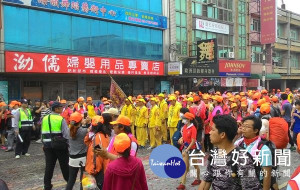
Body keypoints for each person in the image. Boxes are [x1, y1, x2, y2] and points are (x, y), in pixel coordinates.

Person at [199, 115, 261, 190]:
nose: (209, 132)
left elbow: (251, 187)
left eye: (212, 130)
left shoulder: (242, 158)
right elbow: (207, 179)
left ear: (222, 135)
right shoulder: (214, 153)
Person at [235, 115, 273, 190]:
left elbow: (267, 174)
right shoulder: (238, 143)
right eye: (243, 126)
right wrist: (237, 135)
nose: (243, 129)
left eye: (247, 127)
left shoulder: (263, 149)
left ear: (256, 130)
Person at [41, 101, 70, 190]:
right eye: (61, 107)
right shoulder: (61, 119)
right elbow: (66, 135)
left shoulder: (45, 118)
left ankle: (47, 185)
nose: (62, 109)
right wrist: (69, 146)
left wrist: (43, 144)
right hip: (60, 146)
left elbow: (41, 132)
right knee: (64, 165)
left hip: (47, 146)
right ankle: (69, 182)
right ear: (56, 109)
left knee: (49, 166)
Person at [84, 116, 110, 189]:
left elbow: (97, 156)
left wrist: (93, 170)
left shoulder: (98, 137)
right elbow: (86, 142)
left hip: (98, 170)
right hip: (99, 169)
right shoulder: (101, 135)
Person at [177, 112, 201, 190]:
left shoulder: (193, 128)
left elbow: (193, 141)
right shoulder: (184, 127)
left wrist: (186, 150)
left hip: (193, 148)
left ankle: (198, 179)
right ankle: (182, 183)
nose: (183, 120)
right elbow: (183, 136)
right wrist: (181, 139)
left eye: (184, 118)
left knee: (195, 165)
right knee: (185, 166)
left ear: (189, 119)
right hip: (186, 148)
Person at [66, 112, 88, 190]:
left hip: (72, 158)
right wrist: (87, 123)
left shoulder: (68, 130)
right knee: (83, 179)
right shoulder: (84, 131)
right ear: (80, 121)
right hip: (82, 158)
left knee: (71, 180)